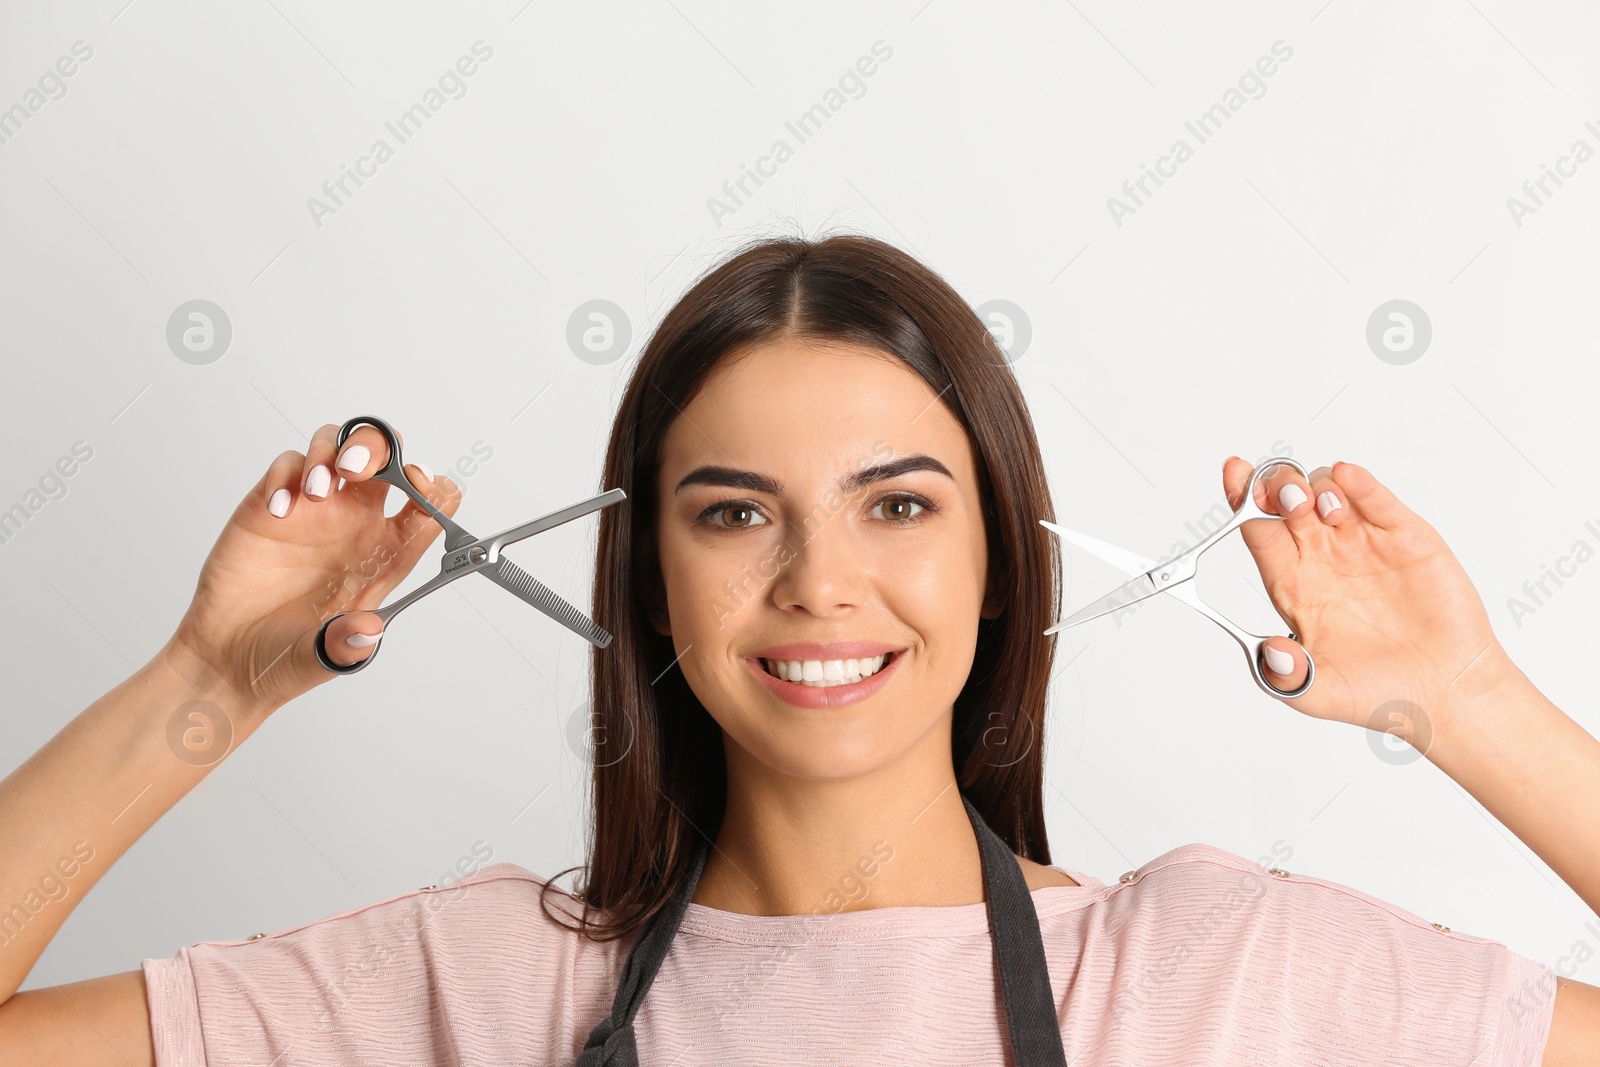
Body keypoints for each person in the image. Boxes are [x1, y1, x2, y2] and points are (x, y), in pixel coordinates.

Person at [2, 233, 1597, 1065]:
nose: (821, 583)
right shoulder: (481, 987)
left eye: (897, 506)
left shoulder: (1222, 976)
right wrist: (203, 692)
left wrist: (1465, 705)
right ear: (646, 582)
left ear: (996, 567)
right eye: (733, 515)